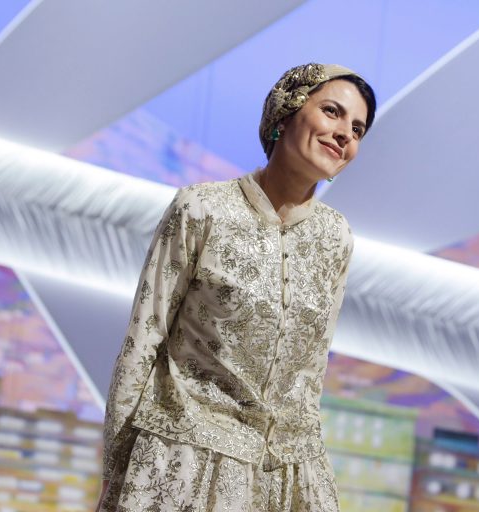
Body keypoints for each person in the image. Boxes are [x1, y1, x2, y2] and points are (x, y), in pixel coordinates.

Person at [95, 63, 376, 511]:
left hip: (287, 473)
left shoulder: (336, 237)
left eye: (358, 128)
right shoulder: (202, 208)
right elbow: (143, 339)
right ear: (285, 112)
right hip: (180, 460)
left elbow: (312, 370)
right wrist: (115, 470)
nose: (345, 134)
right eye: (332, 112)